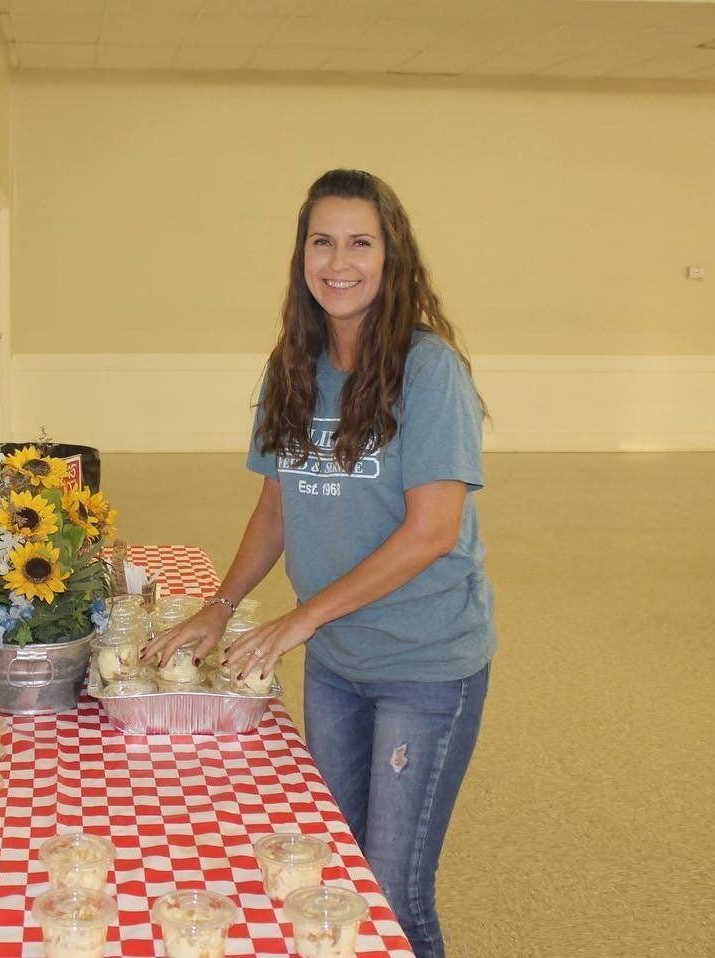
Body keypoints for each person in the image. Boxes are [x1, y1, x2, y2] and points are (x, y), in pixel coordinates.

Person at [143, 169, 494, 958]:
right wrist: (222, 604)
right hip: (337, 664)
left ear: (392, 256)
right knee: (338, 880)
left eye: (360, 242)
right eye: (322, 241)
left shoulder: (428, 369)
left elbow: (432, 531)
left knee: (394, 892)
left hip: (425, 664)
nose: (340, 261)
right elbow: (280, 504)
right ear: (301, 256)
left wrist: (297, 618)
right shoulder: (293, 364)